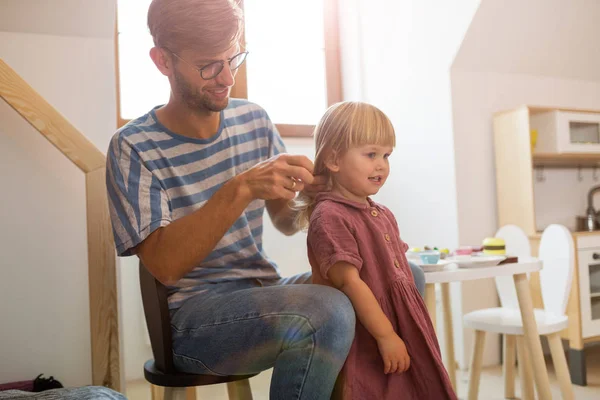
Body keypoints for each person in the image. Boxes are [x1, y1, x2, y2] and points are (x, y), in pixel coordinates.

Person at [105, 0, 424, 398]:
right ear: (163, 61)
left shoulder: (253, 119)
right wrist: (241, 189)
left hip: (263, 290)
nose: (226, 77)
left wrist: (315, 194)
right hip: (193, 322)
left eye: (233, 58)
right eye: (209, 65)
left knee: (405, 277)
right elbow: (165, 266)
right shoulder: (132, 147)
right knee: (327, 310)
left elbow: (286, 221)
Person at [295, 101, 456, 399]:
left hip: (397, 319)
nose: (381, 164)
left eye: (386, 155)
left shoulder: (381, 212)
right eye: (371, 154)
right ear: (333, 159)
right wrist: (385, 335)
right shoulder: (330, 216)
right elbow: (350, 283)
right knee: (369, 388)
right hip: (365, 330)